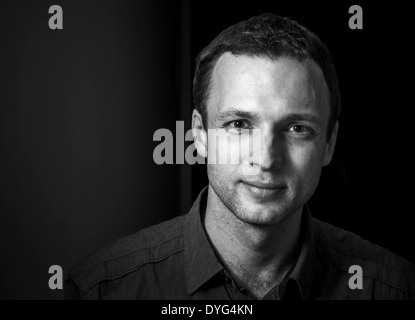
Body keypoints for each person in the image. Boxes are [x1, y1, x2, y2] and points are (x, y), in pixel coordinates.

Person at [65, 13, 415, 300]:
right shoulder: (103, 289)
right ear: (199, 135)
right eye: (239, 124)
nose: (265, 159)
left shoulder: (395, 288)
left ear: (329, 144)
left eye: (297, 129)